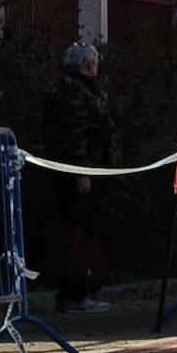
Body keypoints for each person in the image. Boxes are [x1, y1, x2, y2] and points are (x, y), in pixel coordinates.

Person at [41, 41, 116, 313]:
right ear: (88, 65)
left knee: (74, 230)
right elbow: (76, 135)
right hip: (78, 175)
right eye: (95, 63)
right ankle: (75, 292)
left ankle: (76, 290)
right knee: (77, 232)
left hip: (69, 172)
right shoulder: (74, 92)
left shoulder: (60, 87)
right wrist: (82, 173)